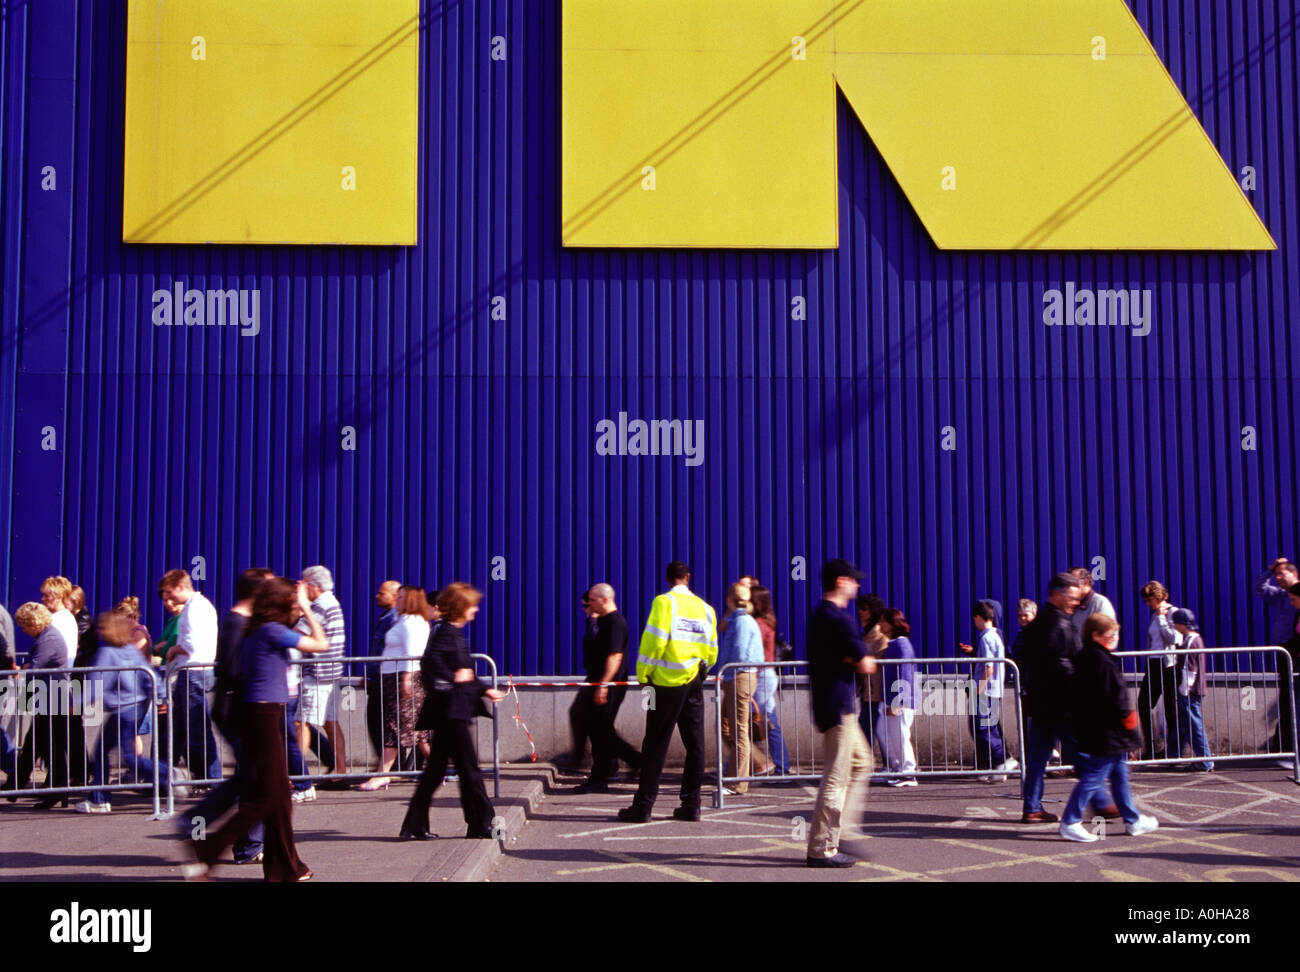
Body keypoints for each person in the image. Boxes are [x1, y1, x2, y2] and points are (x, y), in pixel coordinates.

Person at [185, 577, 329, 882]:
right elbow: (321, 644)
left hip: (262, 714)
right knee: (268, 796)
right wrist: (306, 607)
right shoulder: (272, 631)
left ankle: (285, 868)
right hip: (265, 716)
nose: (295, 606)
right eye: (290, 602)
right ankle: (209, 849)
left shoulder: (257, 630)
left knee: (275, 797)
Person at [182, 567, 274, 863]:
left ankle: (242, 842)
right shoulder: (236, 623)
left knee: (251, 778)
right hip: (238, 711)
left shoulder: (245, 621)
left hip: (241, 710)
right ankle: (232, 837)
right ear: (258, 592)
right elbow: (231, 670)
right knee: (256, 779)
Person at [400, 583, 505, 840]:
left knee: (435, 772)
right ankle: (481, 823)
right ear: (461, 607)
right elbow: (432, 665)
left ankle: (415, 824)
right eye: (472, 605)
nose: (476, 609)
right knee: (469, 770)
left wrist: (483, 689)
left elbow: (464, 670)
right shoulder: (445, 632)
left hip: (451, 711)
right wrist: (454, 677)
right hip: (452, 712)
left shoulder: (448, 631)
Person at [617, 561, 718, 823]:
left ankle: (643, 807)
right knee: (695, 744)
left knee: (654, 744)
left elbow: (654, 642)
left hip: (660, 685)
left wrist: (643, 675)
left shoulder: (664, 603)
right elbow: (712, 650)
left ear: (668, 578)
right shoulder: (706, 610)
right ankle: (691, 804)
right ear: (688, 577)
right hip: (694, 682)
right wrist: (700, 668)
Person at [1058, 614, 1158, 841]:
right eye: (1110, 634)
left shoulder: (1088, 657)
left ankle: (1133, 820)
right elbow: (1116, 699)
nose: (1115, 638)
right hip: (1108, 731)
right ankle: (1070, 821)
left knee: (1120, 774)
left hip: (1102, 729)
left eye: (1116, 633)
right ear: (1096, 635)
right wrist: (1131, 726)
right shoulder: (1101, 661)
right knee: (1094, 776)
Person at [805, 559, 875, 867]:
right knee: (836, 777)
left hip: (831, 703)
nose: (857, 586)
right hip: (839, 708)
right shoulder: (840, 619)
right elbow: (866, 664)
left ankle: (840, 831)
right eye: (853, 580)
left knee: (862, 762)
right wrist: (861, 658)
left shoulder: (819, 615)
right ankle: (821, 848)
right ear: (841, 581)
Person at [76, 612, 173, 813]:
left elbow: (96, 684)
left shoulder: (108, 654)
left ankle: (169, 774)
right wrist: (162, 697)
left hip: (122, 710)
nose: (99, 631)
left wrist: (75, 703)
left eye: (102, 627)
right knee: (114, 753)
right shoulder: (131, 650)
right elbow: (150, 675)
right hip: (137, 707)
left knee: (116, 755)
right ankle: (99, 797)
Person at [1019, 573, 1089, 824]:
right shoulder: (1057, 624)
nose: (1075, 602)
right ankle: (1101, 802)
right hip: (1060, 704)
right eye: (1071, 597)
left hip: (1040, 703)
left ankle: (1032, 807)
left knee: (1037, 758)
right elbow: (1063, 666)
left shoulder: (1040, 624)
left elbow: (1023, 657)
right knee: (1084, 755)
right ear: (1057, 595)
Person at [572, 583, 641, 794]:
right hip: (596, 679)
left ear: (604, 599)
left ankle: (607, 772)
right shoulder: (601, 621)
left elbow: (615, 655)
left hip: (609, 682)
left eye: (591, 600)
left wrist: (604, 684)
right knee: (589, 722)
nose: (588, 603)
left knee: (601, 730)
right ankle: (616, 765)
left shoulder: (615, 623)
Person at [363, 585, 431, 790]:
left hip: (404, 678)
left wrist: (407, 680)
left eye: (401, 597)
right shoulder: (402, 620)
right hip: (393, 678)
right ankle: (444, 766)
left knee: (394, 725)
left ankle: (383, 774)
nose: (397, 600)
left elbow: (413, 653)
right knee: (417, 730)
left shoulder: (413, 623)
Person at [158, 569, 222, 783]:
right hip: (195, 671)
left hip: (193, 671)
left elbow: (191, 646)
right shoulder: (198, 606)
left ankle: (209, 777)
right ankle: (166, 775)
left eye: (169, 592)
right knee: (183, 727)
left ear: (181, 587)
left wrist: (173, 650)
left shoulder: (194, 609)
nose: (168, 598)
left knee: (196, 729)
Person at [7, 602, 72, 808]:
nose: (22, 630)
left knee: (50, 745)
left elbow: (35, 666)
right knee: (36, 743)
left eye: (24, 625)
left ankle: (54, 789)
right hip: (49, 697)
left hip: (54, 697)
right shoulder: (46, 636)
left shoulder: (48, 638)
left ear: (33, 623)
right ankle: (15, 785)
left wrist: (23, 668)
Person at [295, 566, 348, 786]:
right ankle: (342, 771)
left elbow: (297, 633)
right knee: (330, 721)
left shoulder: (319, 606)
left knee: (301, 722)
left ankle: (296, 774)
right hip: (330, 672)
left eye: (304, 583)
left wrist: (300, 606)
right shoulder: (331, 603)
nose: (301, 586)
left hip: (317, 673)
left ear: (314, 586)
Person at [715, 582, 769, 794]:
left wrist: (721, 670)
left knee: (739, 729)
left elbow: (737, 652)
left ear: (730, 599)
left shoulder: (742, 622)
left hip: (739, 676)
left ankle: (738, 782)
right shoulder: (738, 620)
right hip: (736, 676)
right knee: (727, 725)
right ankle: (750, 766)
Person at [967, 600, 1016, 782]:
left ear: (979, 618)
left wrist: (977, 691)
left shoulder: (986, 638)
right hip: (994, 690)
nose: (975, 622)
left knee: (982, 728)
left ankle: (1004, 758)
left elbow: (988, 668)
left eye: (975, 619)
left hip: (985, 691)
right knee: (989, 727)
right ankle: (997, 768)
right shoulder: (996, 636)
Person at [1135, 580, 1181, 763]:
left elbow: (1174, 638)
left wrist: (1162, 619)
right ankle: (1152, 747)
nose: (1149, 604)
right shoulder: (1155, 614)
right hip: (1154, 664)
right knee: (1144, 703)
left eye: (1151, 599)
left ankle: (1174, 750)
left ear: (1159, 596)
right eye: (1147, 600)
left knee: (1171, 707)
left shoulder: (1172, 612)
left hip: (1168, 665)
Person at [750, 585, 790, 776]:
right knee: (765, 719)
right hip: (767, 674)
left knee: (761, 719)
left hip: (762, 675)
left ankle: (777, 764)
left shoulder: (758, 623)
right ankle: (780, 764)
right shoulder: (768, 621)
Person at [879, 608, 919, 787]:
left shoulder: (901, 645)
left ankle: (908, 773)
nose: (880, 625)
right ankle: (900, 768)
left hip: (902, 700)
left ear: (892, 623)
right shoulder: (895, 644)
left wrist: (898, 702)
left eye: (883, 621)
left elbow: (904, 674)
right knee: (891, 734)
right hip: (896, 698)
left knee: (901, 735)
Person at [1170, 608, 1213, 773]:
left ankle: (1205, 760)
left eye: (1175, 623)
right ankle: (1174, 754)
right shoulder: (1196, 639)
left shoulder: (1190, 641)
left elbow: (1190, 669)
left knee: (1194, 726)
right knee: (1185, 725)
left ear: (1181, 624)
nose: (1174, 626)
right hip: (1194, 690)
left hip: (1190, 691)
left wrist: (1183, 690)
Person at [366, 581, 401, 771]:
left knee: (380, 723)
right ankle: (388, 765)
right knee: (379, 723)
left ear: (395, 596)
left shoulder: (392, 618)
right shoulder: (386, 617)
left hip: (384, 679)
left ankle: (391, 766)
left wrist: (375, 674)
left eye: (382, 593)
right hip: (378, 678)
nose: (377, 596)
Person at [566, 588, 597, 770]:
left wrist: (592, 618)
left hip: (600, 679)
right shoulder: (593, 622)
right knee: (581, 716)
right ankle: (578, 758)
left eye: (587, 605)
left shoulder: (600, 622)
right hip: (592, 677)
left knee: (590, 720)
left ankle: (632, 759)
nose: (584, 609)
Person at [855, 594, 888, 761]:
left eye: (864, 609)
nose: (860, 612)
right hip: (866, 690)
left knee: (873, 729)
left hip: (876, 692)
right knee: (870, 728)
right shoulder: (865, 634)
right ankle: (881, 764)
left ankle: (889, 765)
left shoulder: (880, 637)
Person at [1255, 557, 1300, 647]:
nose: (1278, 577)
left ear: (1294, 574)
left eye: (1281, 574)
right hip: (1284, 645)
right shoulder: (1281, 595)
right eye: (1276, 575)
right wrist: (1270, 570)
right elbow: (1259, 588)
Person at [41, 576, 79, 667]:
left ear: (59, 597)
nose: (42, 599)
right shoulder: (65, 617)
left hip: (53, 676)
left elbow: (46, 651)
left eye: (47, 596)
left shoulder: (59, 620)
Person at [1068, 567, 1116, 635]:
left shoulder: (1100, 603)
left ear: (1085, 582)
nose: (1069, 586)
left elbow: (1108, 635)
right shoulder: (1071, 605)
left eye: (1072, 581)